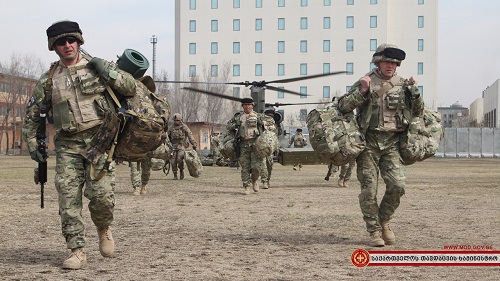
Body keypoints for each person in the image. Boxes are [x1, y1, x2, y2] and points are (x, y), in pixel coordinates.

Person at [22, 20, 138, 269]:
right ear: (54, 47)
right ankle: (77, 250)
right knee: (67, 198)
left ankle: (104, 228)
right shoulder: (48, 81)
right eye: (61, 42)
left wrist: (109, 71)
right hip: (67, 146)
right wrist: (36, 151)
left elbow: (130, 88)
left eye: (71, 40)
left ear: (79, 41)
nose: (67, 46)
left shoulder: (97, 68)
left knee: (102, 197)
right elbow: (31, 119)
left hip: (100, 141)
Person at [337, 43, 424, 247]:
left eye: (395, 63)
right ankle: (374, 231)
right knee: (369, 190)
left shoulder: (403, 84)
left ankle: (384, 220)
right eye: (387, 62)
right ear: (378, 61)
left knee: (397, 185)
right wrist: (363, 90)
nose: (391, 66)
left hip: (393, 143)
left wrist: (415, 92)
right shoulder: (365, 81)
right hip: (369, 143)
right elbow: (343, 107)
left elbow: (418, 110)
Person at [226, 98, 265, 194]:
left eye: (249, 105)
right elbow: (228, 126)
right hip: (243, 144)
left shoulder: (258, 116)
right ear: (243, 106)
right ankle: (246, 186)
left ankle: (254, 180)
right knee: (245, 167)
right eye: (245, 105)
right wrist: (235, 125)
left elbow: (269, 126)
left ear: (252, 105)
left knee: (256, 167)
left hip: (256, 144)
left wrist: (262, 124)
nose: (247, 106)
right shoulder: (238, 117)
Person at [167, 113, 197, 180]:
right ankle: (175, 175)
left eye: (177, 120)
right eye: (175, 120)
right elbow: (166, 137)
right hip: (173, 147)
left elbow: (190, 135)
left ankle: (181, 171)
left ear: (180, 120)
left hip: (181, 146)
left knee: (179, 159)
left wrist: (194, 144)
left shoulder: (184, 127)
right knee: (173, 161)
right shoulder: (171, 128)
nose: (176, 122)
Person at [260, 107, 278, 189]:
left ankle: (267, 180)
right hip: (261, 146)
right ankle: (264, 182)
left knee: (269, 165)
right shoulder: (260, 121)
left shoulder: (273, 124)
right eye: (268, 116)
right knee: (263, 164)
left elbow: (275, 137)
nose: (269, 117)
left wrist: (276, 147)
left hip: (270, 147)